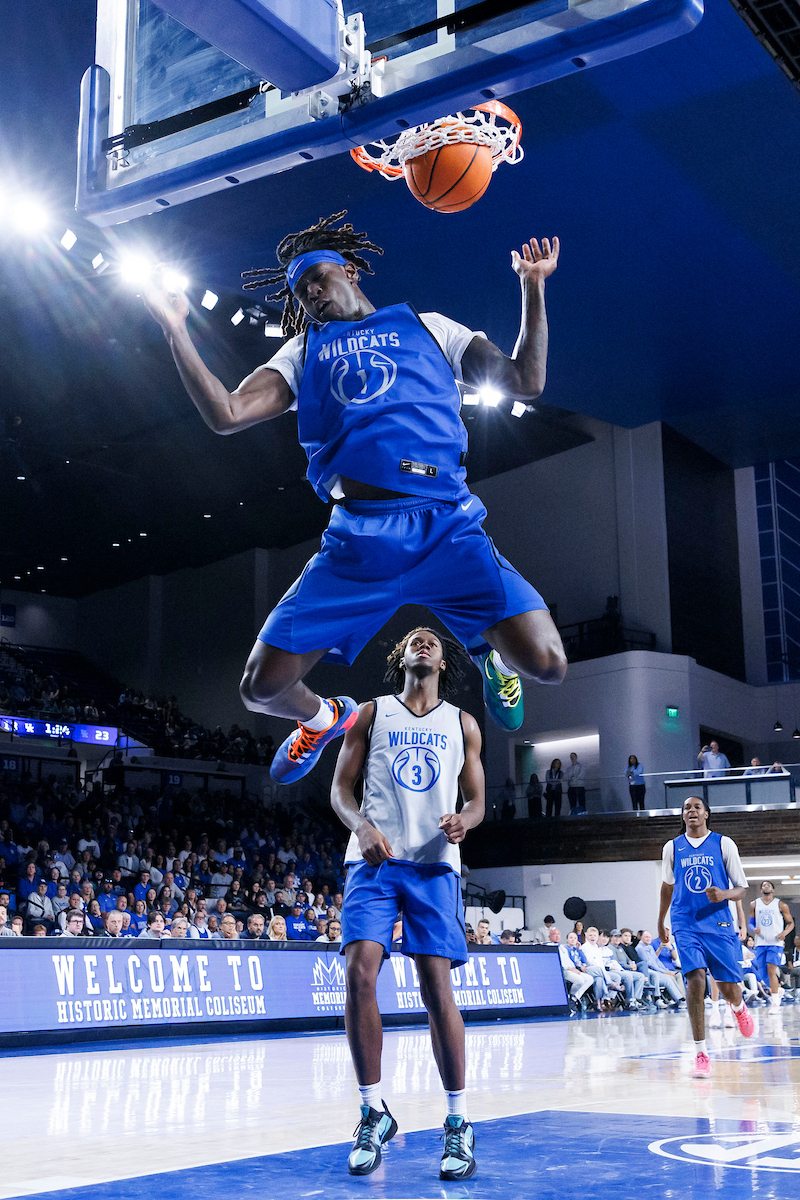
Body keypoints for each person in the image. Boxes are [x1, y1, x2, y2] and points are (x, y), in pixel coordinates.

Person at [143, 212, 566, 787]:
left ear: (348, 269)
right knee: (260, 688)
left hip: (446, 527)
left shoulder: (430, 328)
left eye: (316, 280)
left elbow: (526, 381)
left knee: (548, 664)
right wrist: (176, 330)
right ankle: (324, 720)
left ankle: (492, 658)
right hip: (358, 541)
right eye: (300, 292)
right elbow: (227, 413)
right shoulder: (302, 353)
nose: (310, 295)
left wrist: (532, 288)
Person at [331, 626, 484, 1180]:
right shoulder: (371, 713)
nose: (423, 642)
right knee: (359, 973)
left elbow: (478, 800)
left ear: (442, 662)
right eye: (414, 639)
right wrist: (361, 826)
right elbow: (340, 790)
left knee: (436, 988)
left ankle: (458, 1121)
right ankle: (372, 1111)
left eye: (432, 641)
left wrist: (464, 820)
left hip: (435, 864)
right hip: (374, 859)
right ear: (402, 657)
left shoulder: (462, 723)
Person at [658, 795, 754, 1079]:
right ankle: (701, 1053)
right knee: (696, 979)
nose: (691, 811)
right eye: (686, 808)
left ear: (706, 814)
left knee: (727, 988)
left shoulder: (724, 844)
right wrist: (660, 920)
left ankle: (738, 1007)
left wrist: (723, 894)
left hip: (718, 922)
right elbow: (667, 887)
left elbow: (741, 888)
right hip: (685, 921)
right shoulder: (672, 847)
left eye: (696, 807)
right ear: (683, 816)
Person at [751, 880, 794, 1007]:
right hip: (760, 943)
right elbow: (750, 923)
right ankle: (778, 990)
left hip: (775, 943)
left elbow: (791, 923)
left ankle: (775, 1001)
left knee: (771, 970)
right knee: (762, 973)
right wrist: (753, 928)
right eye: (763, 885)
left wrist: (784, 933)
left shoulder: (781, 904)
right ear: (761, 890)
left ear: (773, 890)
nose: (766, 886)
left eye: (768, 885)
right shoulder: (754, 904)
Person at [636, 932, 685, 1006]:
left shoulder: (649, 947)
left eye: (649, 937)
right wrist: (664, 972)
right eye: (646, 937)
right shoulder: (640, 948)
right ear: (641, 938)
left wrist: (666, 970)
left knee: (678, 975)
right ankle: (679, 999)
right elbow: (650, 964)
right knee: (669, 978)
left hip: (661, 970)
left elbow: (657, 961)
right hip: (651, 973)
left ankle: (683, 997)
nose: (648, 939)